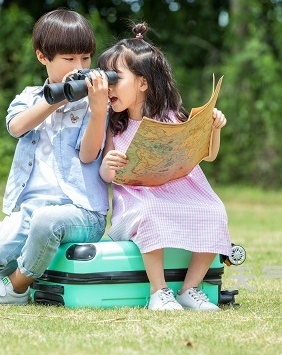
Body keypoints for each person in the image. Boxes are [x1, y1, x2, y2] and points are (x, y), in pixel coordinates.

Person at [0, 9, 109, 306]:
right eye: (69, 60)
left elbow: (90, 153)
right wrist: (60, 96)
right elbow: (16, 127)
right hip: (32, 208)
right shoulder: (29, 97)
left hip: (83, 212)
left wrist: (98, 110)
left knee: (46, 221)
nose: (79, 67)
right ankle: (35, 272)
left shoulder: (95, 104)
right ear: (43, 57)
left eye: (86, 58)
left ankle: (15, 289)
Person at [98, 22, 231, 311]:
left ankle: (190, 288)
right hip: (137, 199)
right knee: (151, 212)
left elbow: (206, 155)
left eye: (115, 79)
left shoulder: (171, 117)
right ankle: (159, 291)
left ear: (143, 82)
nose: (108, 87)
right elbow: (108, 175)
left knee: (215, 210)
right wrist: (109, 165)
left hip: (178, 190)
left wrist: (214, 128)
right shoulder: (114, 125)